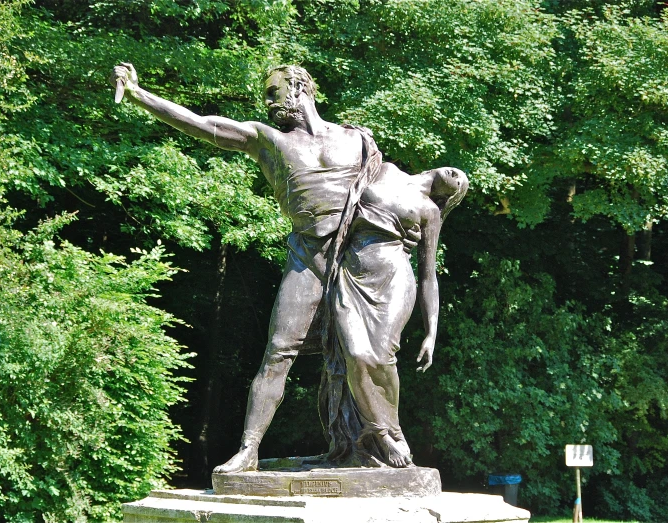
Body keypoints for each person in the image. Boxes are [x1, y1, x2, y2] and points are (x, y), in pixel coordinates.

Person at [111, 62, 390, 473]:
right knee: (278, 351)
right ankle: (249, 449)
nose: (268, 103)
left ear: (300, 88)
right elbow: (201, 125)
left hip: (358, 256)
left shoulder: (357, 140)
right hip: (307, 256)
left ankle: (379, 438)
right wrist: (139, 95)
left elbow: (392, 193)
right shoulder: (267, 138)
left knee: (365, 353)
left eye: (273, 93)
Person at [321, 163, 468, 467]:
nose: (457, 176)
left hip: (395, 280)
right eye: (458, 172)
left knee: (382, 357)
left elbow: (428, 276)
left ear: (449, 197)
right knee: (356, 355)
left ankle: (391, 433)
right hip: (353, 273)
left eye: (460, 184)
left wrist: (431, 332)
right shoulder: (384, 169)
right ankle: (381, 431)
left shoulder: (430, 211)